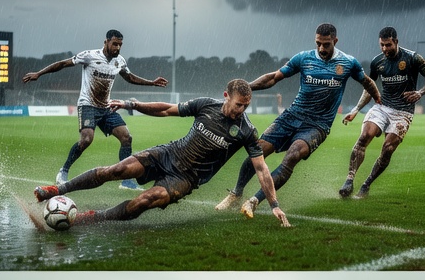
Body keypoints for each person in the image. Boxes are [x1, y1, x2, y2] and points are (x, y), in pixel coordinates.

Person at [34, 79, 289, 227]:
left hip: (185, 178)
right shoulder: (205, 105)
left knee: (143, 201)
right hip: (168, 153)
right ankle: (58, 190)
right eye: (238, 104)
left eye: (246, 106)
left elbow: (261, 168)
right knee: (117, 169)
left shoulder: (246, 130)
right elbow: (166, 109)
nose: (241, 110)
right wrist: (131, 104)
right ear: (226, 96)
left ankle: (91, 218)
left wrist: (274, 204)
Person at [212, 23, 380, 218]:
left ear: (335, 41)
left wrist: (377, 97)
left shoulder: (348, 62)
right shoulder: (304, 58)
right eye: (318, 43)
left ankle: (254, 201)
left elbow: (367, 81)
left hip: (317, 125)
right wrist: (245, 88)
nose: (321, 49)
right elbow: (273, 78)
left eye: (326, 44)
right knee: (258, 150)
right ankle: (236, 194)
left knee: (292, 155)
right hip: (292, 116)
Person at [22, 29, 168, 189]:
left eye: (120, 45)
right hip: (88, 105)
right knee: (86, 140)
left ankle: (126, 181)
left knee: (126, 138)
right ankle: (63, 170)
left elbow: (130, 77)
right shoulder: (89, 55)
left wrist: (151, 82)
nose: (117, 48)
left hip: (106, 107)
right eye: (115, 44)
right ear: (106, 42)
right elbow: (63, 64)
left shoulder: (120, 61)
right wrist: (39, 73)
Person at [338, 27, 425, 199]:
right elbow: (369, 88)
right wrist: (356, 109)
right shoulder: (377, 62)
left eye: (388, 45)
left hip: (403, 112)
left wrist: (419, 93)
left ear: (396, 42)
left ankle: (366, 184)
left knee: (387, 149)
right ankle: (349, 180)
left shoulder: (413, 58)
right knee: (364, 137)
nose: (385, 49)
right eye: (382, 45)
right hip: (381, 107)